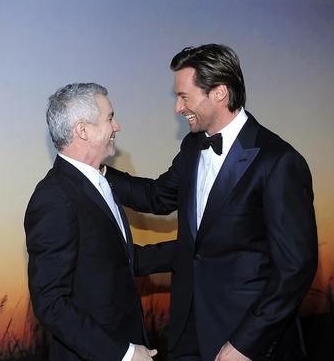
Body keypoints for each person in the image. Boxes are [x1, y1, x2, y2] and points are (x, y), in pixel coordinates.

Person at [106, 44, 318, 360]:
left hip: (244, 340)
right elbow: (158, 197)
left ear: (219, 93)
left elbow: (295, 269)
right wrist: (98, 171)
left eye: (184, 96)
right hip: (187, 335)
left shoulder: (279, 162)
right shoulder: (193, 146)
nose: (178, 108)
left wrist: (246, 343)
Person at [25, 83, 158, 361]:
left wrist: (192, 247)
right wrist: (124, 354)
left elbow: (118, 260)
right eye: (109, 118)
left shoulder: (101, 181)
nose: (117, 126)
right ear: (83, 130)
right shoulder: (54, 197)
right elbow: (50, 303)